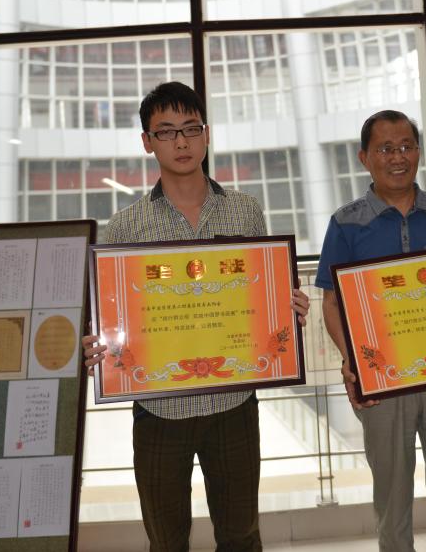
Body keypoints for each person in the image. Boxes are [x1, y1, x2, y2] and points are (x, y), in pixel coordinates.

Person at [81, 81, 310, 552]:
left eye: (190, 128)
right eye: (166, 132)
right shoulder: (125, 227)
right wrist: (97, 344)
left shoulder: (245, 212)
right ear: (147, 142)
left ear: (206, 134)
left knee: (241, 535)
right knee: (166, 541)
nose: (181, 142)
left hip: (233, 403)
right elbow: (112, 315)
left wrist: (286, 312)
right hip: (158, 409)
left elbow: (264, 296)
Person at [316, 110, 426, 552]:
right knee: (392, 501)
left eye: (406, 147)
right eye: (385, 149)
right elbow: (332, 303)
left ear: (418, 152)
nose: (398, 157)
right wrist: (352, 361)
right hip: (382, 383)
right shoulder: (346, 222)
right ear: (364, 157)